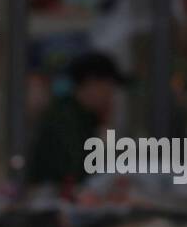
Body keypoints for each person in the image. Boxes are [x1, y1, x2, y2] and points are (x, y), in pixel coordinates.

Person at [26, 51, 129, 192]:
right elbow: (79, 176)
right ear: (92, 84)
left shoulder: (80, 116)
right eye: (109, 87)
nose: (111, 96)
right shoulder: (66, 121)